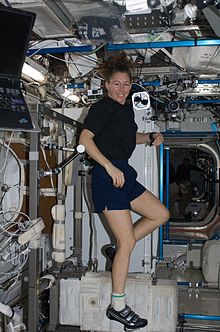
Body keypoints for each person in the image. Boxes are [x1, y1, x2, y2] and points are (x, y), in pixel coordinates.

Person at [79, 52, 169, 331]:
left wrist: (150, 137)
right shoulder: (102, 108)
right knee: (129, 244)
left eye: (126, 84)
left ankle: (119, 247)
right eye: (117, 84)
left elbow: (128, 138)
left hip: (124, 172)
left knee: (160, 214)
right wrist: (107, 166)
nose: (122, 89)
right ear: (106, 84)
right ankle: (117, 307)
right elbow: (85, 140)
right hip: (108, 176)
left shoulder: (126, 108)